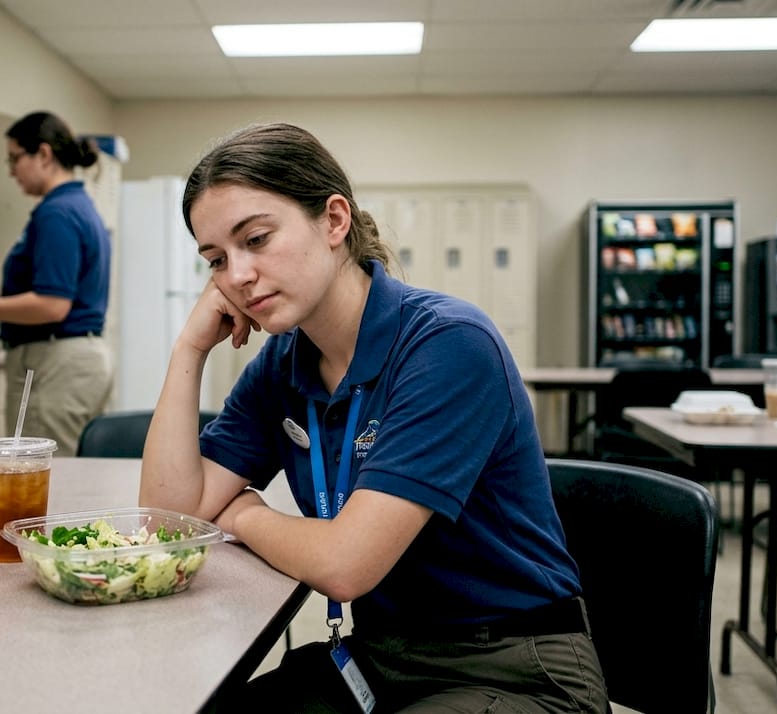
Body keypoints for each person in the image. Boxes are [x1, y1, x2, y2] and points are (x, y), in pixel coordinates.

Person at [139, 122, 608, 713]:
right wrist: (190, 350)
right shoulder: (283, 363)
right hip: (382, 657)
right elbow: (164, 520)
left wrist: (245, 512)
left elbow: (346, 565)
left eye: (255, 239)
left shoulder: (448, 345)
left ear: (334, 221)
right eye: (215, 259)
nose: (236, 275)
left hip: (515, 669)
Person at [0, 111, 113, 454]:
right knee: (74, 476)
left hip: (56, 363)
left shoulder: (56, 213)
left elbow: (52, 304)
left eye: (14, 158)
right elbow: (57, 291)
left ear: (44, 154)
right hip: (80, 358)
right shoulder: (79, 205)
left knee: (49, 479)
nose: (11, 171)